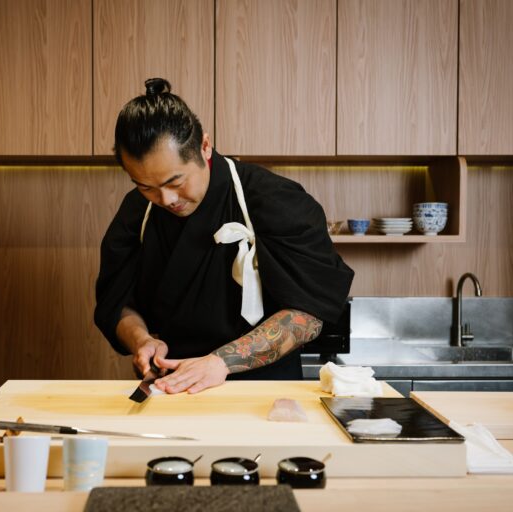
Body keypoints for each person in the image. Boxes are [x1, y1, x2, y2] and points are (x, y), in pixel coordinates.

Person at [94, 78, 354, 394]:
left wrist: (220, 363)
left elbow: (308, 316)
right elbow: (119, 302)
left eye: (175, 182)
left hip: (266, 390)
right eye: (146, 186)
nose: (165, 199)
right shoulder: (137, 212)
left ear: (205, 147)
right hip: (172, 384)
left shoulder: (276, 200)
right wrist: (142, 340)